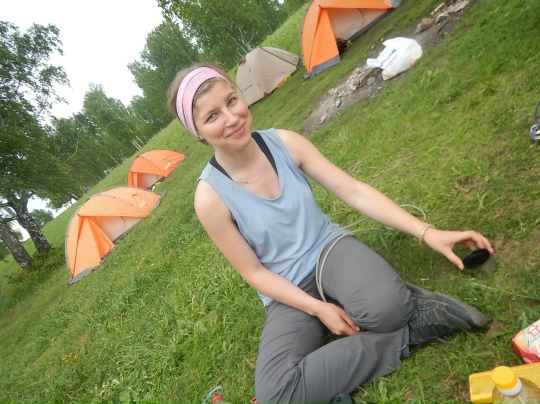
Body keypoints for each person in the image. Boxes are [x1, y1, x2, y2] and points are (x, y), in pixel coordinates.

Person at [167, 63, 493, 404]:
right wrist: (317, 309)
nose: (231, 118)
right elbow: (255, 273)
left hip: (328, 251)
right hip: (286, 291)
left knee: (388, 308)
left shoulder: (284, 143)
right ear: (198, 133)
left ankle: (392, 307)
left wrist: (428, 232)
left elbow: (353, 191)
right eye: (212, 116)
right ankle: (414, 327)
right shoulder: (210, 198)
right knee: (276, 395)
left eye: (231, 101)